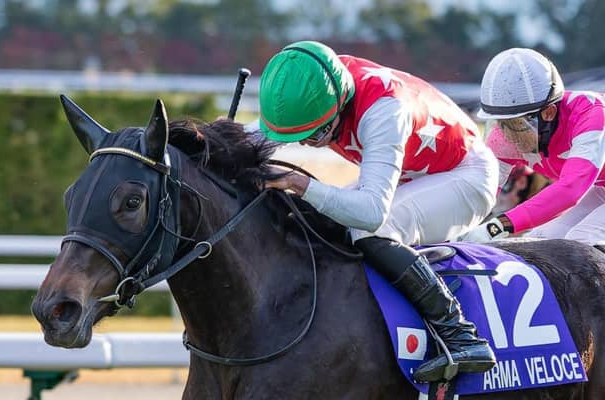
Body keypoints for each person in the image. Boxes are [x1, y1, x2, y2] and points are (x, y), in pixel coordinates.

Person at [257, 40, 497, 382]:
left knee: (368, 229)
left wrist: (302, 184)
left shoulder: (383, 112)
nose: (306, 143)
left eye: (315, 134)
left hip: (467, 176)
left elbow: (371, 214)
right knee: (317, 219)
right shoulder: (314, 82)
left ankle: (459, 334)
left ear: (339, 104)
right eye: (300, 137)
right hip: (419, 172)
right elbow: (258, 135)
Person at [460, 48, 605, 245]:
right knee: (540, 240)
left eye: (516, 124)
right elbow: (483, 192)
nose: (508, 137)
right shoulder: (504, 136)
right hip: (600, 187)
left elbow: (571, 189)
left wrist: (498, 226)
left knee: (583, 240)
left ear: (549, 113)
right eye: (501, 123)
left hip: (586, 188)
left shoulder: (592, 115)